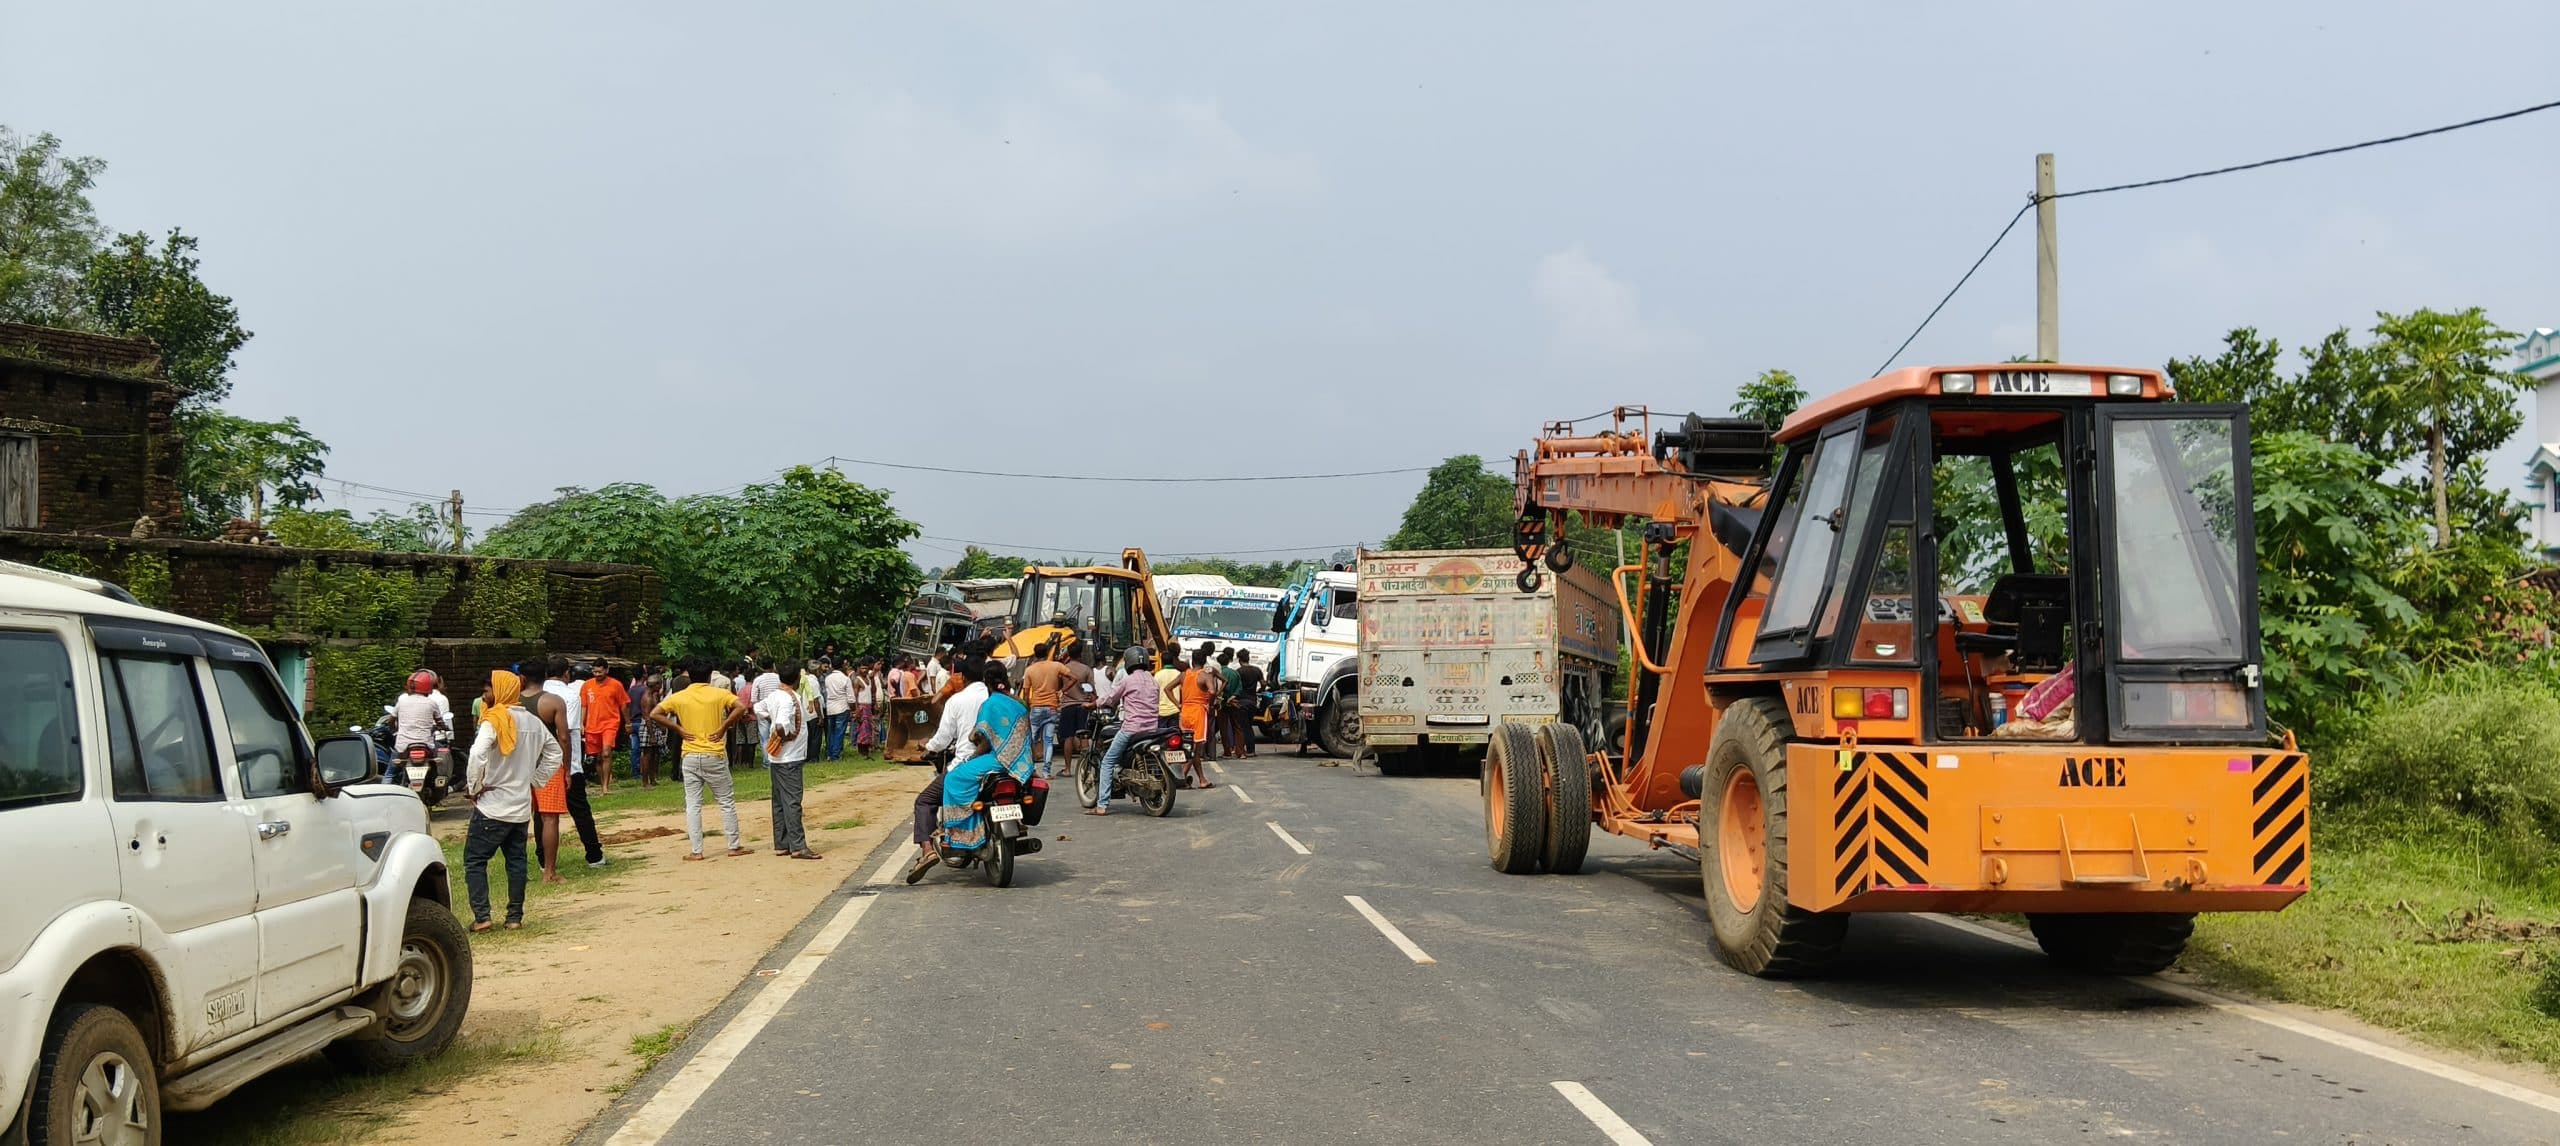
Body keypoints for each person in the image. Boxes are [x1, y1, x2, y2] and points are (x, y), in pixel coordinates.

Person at [462, 670, 562, 932]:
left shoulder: (494, 721)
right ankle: (514, 918)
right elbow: (555, 753)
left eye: (487, 691)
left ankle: (482, 917)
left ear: (501, 690)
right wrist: (534, 781)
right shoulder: (532, 721)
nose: (484, 697)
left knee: (475, 861)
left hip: (491, 805)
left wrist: (474, 787)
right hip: (519, 807)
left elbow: (476, 754)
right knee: (516, 862)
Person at [907, 665, 1024, 881]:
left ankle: (937, 846)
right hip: (1016, 763)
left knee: (933, 795)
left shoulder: (983, 704)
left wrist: (965, 753)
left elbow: (981, 739)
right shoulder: (1015, 701)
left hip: (985, 762)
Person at [651, 655, 754, 859]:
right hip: (714, 752)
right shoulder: (719, 693)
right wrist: (725, 726)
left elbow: (655, 713)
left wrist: (678, 729)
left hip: (689, 754)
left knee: (693, 804)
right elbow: (741, 707)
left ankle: (696, 851)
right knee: (725, 801)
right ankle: (733, 845)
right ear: (709, 676)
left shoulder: (680, 696)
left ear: (689, 676)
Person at [545, 660, 607, 870]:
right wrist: (569, 767)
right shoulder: (570, 696)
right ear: (566, 674)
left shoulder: (538, 695)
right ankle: (594, 855)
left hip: (541, 765)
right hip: (567, 763)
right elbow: (567, 734)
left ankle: (543, 860)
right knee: (580, 811)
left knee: (542, 815)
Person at [1088, 647, 1163, 816]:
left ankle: (1101, 806)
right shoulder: (1153, 680)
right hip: (1152, 729)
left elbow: (1111, 698)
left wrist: (1093, 704)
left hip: (1132, 729)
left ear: (1129, 662)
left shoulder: (1128, 680)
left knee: (1107, 762)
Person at [760, 663, 821, 859]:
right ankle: (798, 846)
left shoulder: (775, 695)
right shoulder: (788, 699)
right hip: (790, 756)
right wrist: (782, 734)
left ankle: (782, 843)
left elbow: (758, 708)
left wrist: (773, 721)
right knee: (793, 801)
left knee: (779, 801)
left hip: (777, 757)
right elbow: (781, 724)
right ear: (797, 679)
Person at [1021, 638, 1072, 778]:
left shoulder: (1029, 670)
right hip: (1052, 707)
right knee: (1048, 741)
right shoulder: (1056, 666)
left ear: (1035, 654)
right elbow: (1073, 678)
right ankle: (1046, 772)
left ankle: (1029, 770)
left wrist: (1026, 707)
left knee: (1031, 739)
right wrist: (1062, 690)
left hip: (1036, 707)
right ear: (1047, 652)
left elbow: (1026, 693)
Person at [391, 670, 449, 783]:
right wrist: (443, 727)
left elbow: (391, 720)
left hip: (403, 747)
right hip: (426, 746)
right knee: (440, 757)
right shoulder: (431, 703)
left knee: (391, 772)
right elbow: (439, 722)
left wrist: (395, 730)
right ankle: (436, 781)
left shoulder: (402, 702)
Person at [581, 662, 629, 796]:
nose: (597, 675)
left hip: (610, 724)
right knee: (598, 757)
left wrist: (628, 723)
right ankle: (602, 781)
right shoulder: (587, 685)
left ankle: (605, 787)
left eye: (600, 672)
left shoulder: (616, 685)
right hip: (592, 725)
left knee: (606, 753)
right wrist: (581, 723)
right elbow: (584, 706)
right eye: (595, 672)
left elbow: (623, 705)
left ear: (607, 670)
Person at [1179, 647, 1220, 785]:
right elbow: (1213, 691)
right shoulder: (1204, 674)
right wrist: (1210, 704)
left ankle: (1202, 780)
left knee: (1190, 747)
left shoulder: (1185, 674)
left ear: (1192, 660)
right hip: (1198, 712)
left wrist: (1178, 704)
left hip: (1185, 712)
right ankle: (1180, 777)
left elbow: (1167, 688)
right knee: (1196, 748)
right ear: (1204, 661)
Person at [1057, 639, 1095, 774]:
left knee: (1068, 737)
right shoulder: (1086, 669)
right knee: (1084, 737)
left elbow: (1058, 686)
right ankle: (1085, 769)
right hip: (1083, 706)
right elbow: (1091, 689)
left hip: (1067, 706)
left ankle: (1067, 769)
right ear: (1081, 654)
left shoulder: (1063, 669)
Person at [631, 669, 666, 787]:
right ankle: (645, 782)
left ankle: (652, 779)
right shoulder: (647, 698)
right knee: (647, 755)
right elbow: (647, 717)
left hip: (653, 726)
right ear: (656, 685)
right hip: (648, 727)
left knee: (654, 754)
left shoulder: (654, 695)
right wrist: (651, 735)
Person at [1233, 650, 1264, 758]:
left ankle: (1244, 750)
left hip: (1242, 702)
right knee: (1249, 726)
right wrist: (1259, 691)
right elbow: (1263, 683)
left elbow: (1237, 687)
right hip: (1253, 701)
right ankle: (1250, 749)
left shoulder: (1238, 672)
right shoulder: (1257, 670)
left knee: (1242, 727)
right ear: (1248, 658)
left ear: (1239, 660)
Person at [821, 659, 853, 761]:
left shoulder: (828, 678)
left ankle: (830, 754)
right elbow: (851, 697)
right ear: (842, 667)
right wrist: (853, 709)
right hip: (842, 707)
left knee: (831, 732)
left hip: (830, 708)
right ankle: (835, 755)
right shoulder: (845, 679)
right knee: (839, 732)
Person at [1215, 647, 1243, 759]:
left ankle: (1227, 751)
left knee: (1223, 728)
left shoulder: (1218, 673)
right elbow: (1240, 688)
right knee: (1237, 727)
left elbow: (1220, 688)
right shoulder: (1235, 673)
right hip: (1234, 702)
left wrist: (1224, 698)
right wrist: (1233, 697)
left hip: (1222, 703)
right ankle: (1240, 752)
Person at [852, 658, 881, 758]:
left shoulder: (868, 679)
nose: (864, 670)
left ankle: (867, 750)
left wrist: (875, 703)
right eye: (862, 668)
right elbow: (855, 696)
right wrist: (856, 710)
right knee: (862, 729)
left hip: (868, 706)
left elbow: (873, 690)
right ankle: (861, 751)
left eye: (865, 668)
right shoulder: (857, 680)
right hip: (861, 706)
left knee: (868, 729)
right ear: (859, 669)